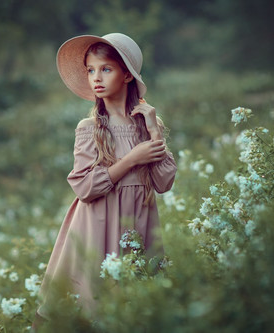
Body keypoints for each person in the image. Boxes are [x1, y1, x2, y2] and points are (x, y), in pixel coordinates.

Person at [32, 33, 177, 328]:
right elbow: (84, 187)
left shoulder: (147, 127)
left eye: (106, 69)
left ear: (126, 75)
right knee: (88, 309)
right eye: (90, 70)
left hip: (137, 228)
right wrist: (131, 159)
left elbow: (164, 183)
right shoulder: (90, 128)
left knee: (133, 312)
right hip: (96, 229)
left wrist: (154, 130)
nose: (96, 78)